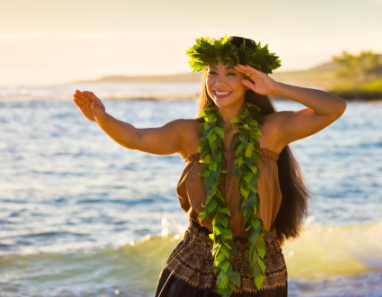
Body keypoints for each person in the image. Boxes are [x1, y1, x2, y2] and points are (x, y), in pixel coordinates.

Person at [72, 36, 346, 297]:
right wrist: (102, 118)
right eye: (212, 72)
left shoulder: (272, 130)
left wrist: (275, 87)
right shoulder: (188, 132)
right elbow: (136, 137)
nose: (219, 82)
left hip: (258, 266)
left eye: (231, 74)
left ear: (250, 80)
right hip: (196, 262)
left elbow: (334, 108)